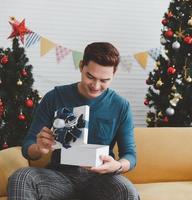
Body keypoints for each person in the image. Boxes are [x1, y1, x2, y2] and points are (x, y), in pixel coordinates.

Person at [8, 42, 140, 200]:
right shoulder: (55, 97)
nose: (96, 86)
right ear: (81, 66)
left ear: (114, 74)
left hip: (100, 180)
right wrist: (38, 147)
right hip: (59, 177)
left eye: (104, 80)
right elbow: (27, 147)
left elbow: (130, 155)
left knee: (127, 191)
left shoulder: (121, 106)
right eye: (90, 76)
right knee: (21, 178)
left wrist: (117, 166)